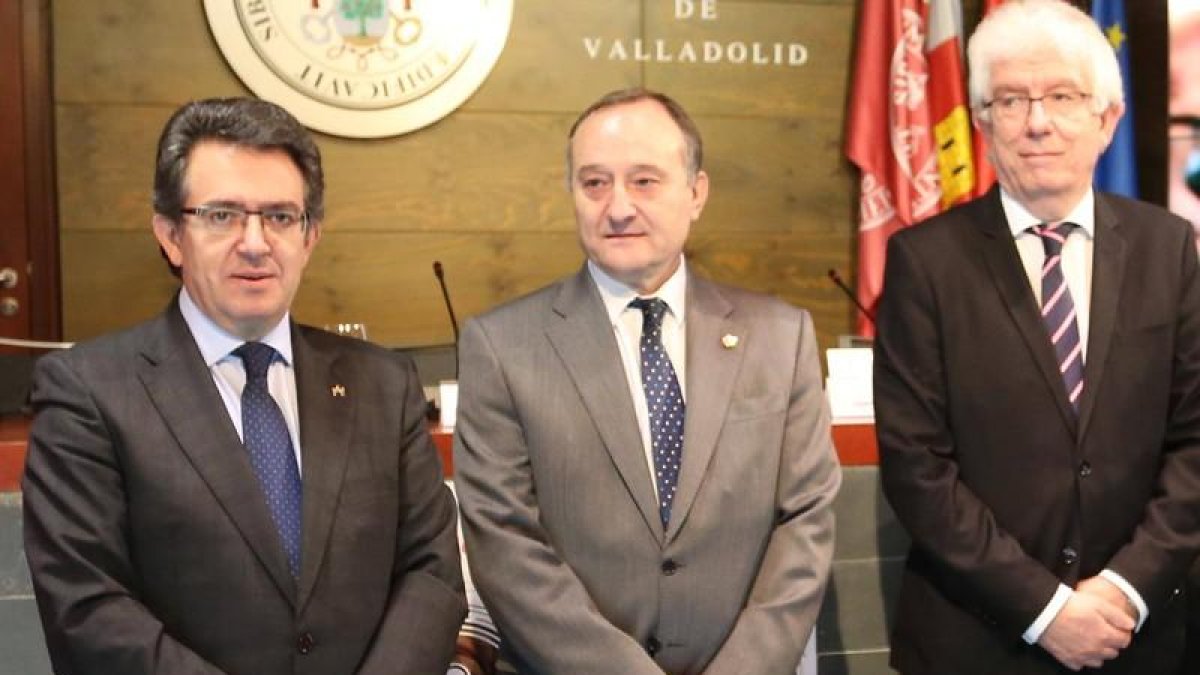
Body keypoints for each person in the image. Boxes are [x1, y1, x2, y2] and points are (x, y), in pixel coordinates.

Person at [22, 97, 466, 674]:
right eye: (222, 215)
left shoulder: (383, 383)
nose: (255, 242)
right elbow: (87, 606)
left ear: (310, 236)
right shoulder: (88, 392)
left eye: (280, 216)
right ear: (171, 235)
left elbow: (431, 570)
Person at [451, 87, 841, 674]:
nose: (618, 206)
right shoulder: (501, 346)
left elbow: (805, 521)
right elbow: (504, 542)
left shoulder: (781, 338)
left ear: (696, 192)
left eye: (645, 180)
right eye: (594, 183)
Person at [874, 1, 1200, 673]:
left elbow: (1195, 441)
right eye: (1012, 101)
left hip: (1140, 637)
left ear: (1107, 119)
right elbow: (917, 468)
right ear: (983, 123)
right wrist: (1046, 610)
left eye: (1062, 96)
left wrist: (1125, 589)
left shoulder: (1170, 249)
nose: (1038, 122)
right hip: (977, 640)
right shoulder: (924, 261)